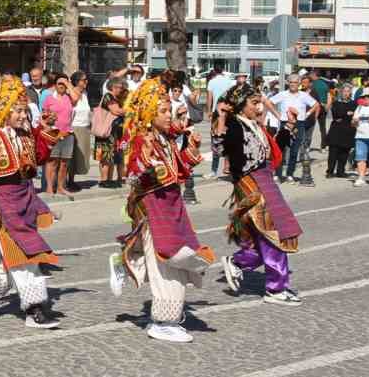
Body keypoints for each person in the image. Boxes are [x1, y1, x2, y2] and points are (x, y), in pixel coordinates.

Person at [110, 76, 215, 343]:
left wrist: (192, 146)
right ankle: (162, 321)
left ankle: (126, 261)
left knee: (179, 261)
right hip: (155, 207)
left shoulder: (165, 139)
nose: (169, 115)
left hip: (173, 204)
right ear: (148, 113)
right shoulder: (141, 141)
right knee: (167, 262)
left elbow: (180, 168)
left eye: (170, 110)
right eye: (164, 111)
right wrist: (143, 165)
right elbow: (133, 171)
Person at [0, 78, 61, 329]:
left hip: (25, 198)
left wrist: (47, 131)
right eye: (17, 111)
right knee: (22, 255)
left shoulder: (27, 134)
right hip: (3, 202)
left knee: (0, 255)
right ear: (5, 112)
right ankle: (34, 308)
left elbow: (39, 157)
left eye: (24, 110)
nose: (22, 115)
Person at [219, 81, 303, 305]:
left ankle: (238, 262)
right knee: (272, 233)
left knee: (266, 236)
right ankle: (275, 288)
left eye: (260, 103)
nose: (260, 108)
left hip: (265, 181)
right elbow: (223, 149)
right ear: (240, 105)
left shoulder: (254, 125)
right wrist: (221, 120)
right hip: (251, 184)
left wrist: (289, 126)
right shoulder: (236, 126)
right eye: (255, 103)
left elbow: (273, 151)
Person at [267, 75, 316, 181]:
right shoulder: (283, 94)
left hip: (299, 123)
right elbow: (269, 102)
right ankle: (278, 173)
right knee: (280, 149)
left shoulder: (304, 95)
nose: (293, 84)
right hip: (285, 123)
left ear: (299, 84)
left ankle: (290, 173)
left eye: (295, 82)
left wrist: (307, 114)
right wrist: (277, 114)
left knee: (294, 150)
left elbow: (315, 105)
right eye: (291, 82)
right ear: (288, 83)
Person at [41, 74, 76, 196]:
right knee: (52, 162)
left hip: (68, 133)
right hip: (54, 133)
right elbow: (43, 116)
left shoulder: (69, 98)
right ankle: (50, 187)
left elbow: (76, 98)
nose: (62, 86)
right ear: (55, 85)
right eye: (59, 83)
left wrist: (67, 84)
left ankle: (61, 187)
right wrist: (47, 125)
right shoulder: (49, 98)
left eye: (64, 84)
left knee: (64, 163)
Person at [324, 87, 357, 178]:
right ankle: (330, 171)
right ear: (341, 92)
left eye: (348, 91)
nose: (346, 93)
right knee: (333, 152)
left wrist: (345, 114)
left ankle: (340, 171)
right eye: (344, 91)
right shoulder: (336, 103)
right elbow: (336, 114)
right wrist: (347, 113)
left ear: (350, 93)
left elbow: (355, 114)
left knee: (345, 152)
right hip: (336, 130)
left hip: (348, 130)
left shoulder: (353, 103)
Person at [68, 73, 92, 192]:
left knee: (81, 156)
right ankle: (69, 181)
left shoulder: (85, 94)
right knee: (72, 156)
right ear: (77, 81)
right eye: (84, 80)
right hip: (75, 127)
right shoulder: (71, 94)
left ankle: (72, 180)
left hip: (85, 128)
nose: (86, 82)